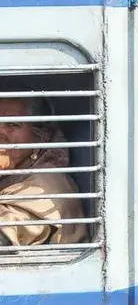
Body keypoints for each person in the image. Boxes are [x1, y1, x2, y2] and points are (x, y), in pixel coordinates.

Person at [0, 96, 87, 246]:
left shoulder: (46, 186)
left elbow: (8, 232)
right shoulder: (14, 175)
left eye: (13, 124)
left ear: (40, 137)